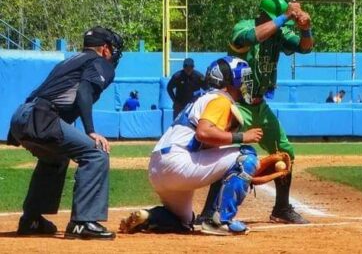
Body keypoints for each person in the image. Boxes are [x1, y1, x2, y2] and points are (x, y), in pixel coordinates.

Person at [194, 0, 314, 225]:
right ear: (265, 14)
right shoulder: (244, 26)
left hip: (260, 105)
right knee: (227, 155)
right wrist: (284, 17)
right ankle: (209, 212)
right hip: (237, 104)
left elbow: (305, 47)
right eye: (277, 17)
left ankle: (281, 208)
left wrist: (305, 27)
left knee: (285, 151)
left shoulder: (279, 33)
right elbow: (248, 38)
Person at [119, 56, 263, 236]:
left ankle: (149, 217)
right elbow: (203, 133)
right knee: (246, 155)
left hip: (158, 168)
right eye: (242, 77)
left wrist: (245, 175)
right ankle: (220, 221)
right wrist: (243, 137)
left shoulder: (203, 99)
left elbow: (207, 144)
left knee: (183, 223)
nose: (245, 82)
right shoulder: (221, 100)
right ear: (231, 80)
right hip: (178, 162)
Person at [6, 26, 123, 240]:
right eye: (112, 48)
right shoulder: (99, 63)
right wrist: (91, 131)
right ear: (104, 49)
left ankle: (31, 219)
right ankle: (82, 223)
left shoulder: (70, 61)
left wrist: (17, 132)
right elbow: (84, 91)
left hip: (22, 116)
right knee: (96, 153)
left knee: (56, 158)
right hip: (41, 118)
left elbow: (40, 92)